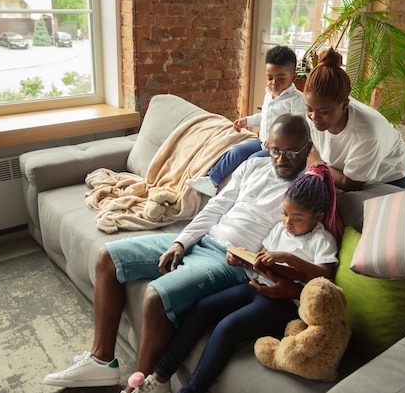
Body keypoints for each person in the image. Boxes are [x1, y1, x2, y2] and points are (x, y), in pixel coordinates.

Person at [42, 114, 312, 389]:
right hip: (203, 239)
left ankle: (141, 386)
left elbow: (298, 240)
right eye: (275, 150)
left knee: (154, 295)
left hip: (230, 260)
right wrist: (181, 242)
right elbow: (216, 207)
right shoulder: (254, 164)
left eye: (291, 152)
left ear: (307, 148)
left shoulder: (308, 188)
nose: (280, 159)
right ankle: (102, 362)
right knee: (107, 257)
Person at [130, 163, 342, 393]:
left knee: (228, 327)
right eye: (284, 213)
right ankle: (159, 377)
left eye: (297, 218)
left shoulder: (322, 240)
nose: (287, 223)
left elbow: (325, 275)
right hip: (255, 284)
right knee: (202, 309)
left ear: (317, 217)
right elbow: (262, 257)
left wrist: (289, 258)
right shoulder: (280, 229)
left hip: (284, 303)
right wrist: (242, 259)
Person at [186, 45, 306, 197]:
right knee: (236, 152)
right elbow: (264, 116)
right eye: (270, 78)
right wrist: (246, 121)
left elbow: (298, 127)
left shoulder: (295, 100)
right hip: (262, 141)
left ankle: (238, 193)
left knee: (252, 160)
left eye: (281, 78)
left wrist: (277, 139)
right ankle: (212, 181)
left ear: (293, 78)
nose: (274, 83)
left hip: (279, 150)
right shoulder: (269, 94)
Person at [304, 48, 405, 191]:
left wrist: (316, 164)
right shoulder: (316, 109)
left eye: (323, 112)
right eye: (310, 109)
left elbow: (350, 184)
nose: (314, 117)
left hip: (387, 177)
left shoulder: (367, 133)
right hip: (340, 170)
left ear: (345, 104)